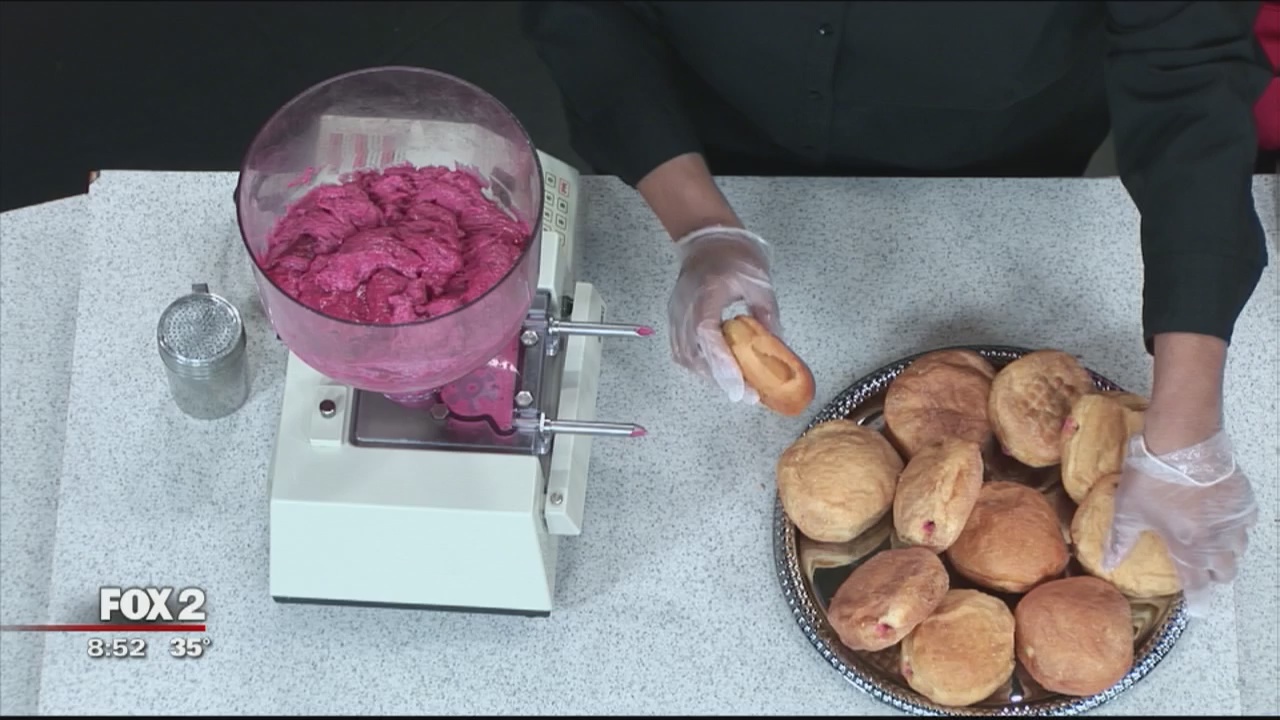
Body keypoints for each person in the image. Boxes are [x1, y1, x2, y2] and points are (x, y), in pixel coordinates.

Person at [523, 1, 1271, 615]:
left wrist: (1189, 405)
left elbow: (1189, 70)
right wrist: (698, 221)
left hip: (998, 154)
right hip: (707, 126)